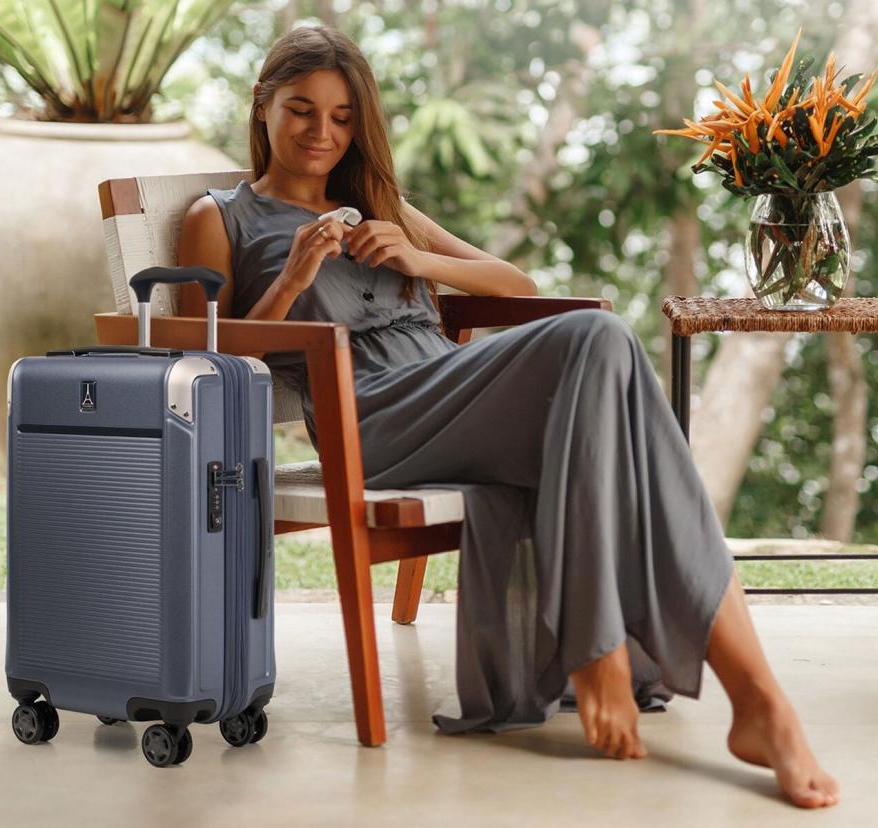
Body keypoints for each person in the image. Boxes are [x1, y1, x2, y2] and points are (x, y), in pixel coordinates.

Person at [177, 25, 840, 809]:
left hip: (454, 386)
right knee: (598, 338)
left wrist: (420, 259)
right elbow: (201, 352)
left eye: (344, 117)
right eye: (301, 111)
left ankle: (757, 703)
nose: (323, 133)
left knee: (628, 411)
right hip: (375, 422)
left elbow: (513, 282)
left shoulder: (378, 205)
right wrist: (292, 279)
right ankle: (609, 654)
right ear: (261, 106)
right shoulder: (219, 216)